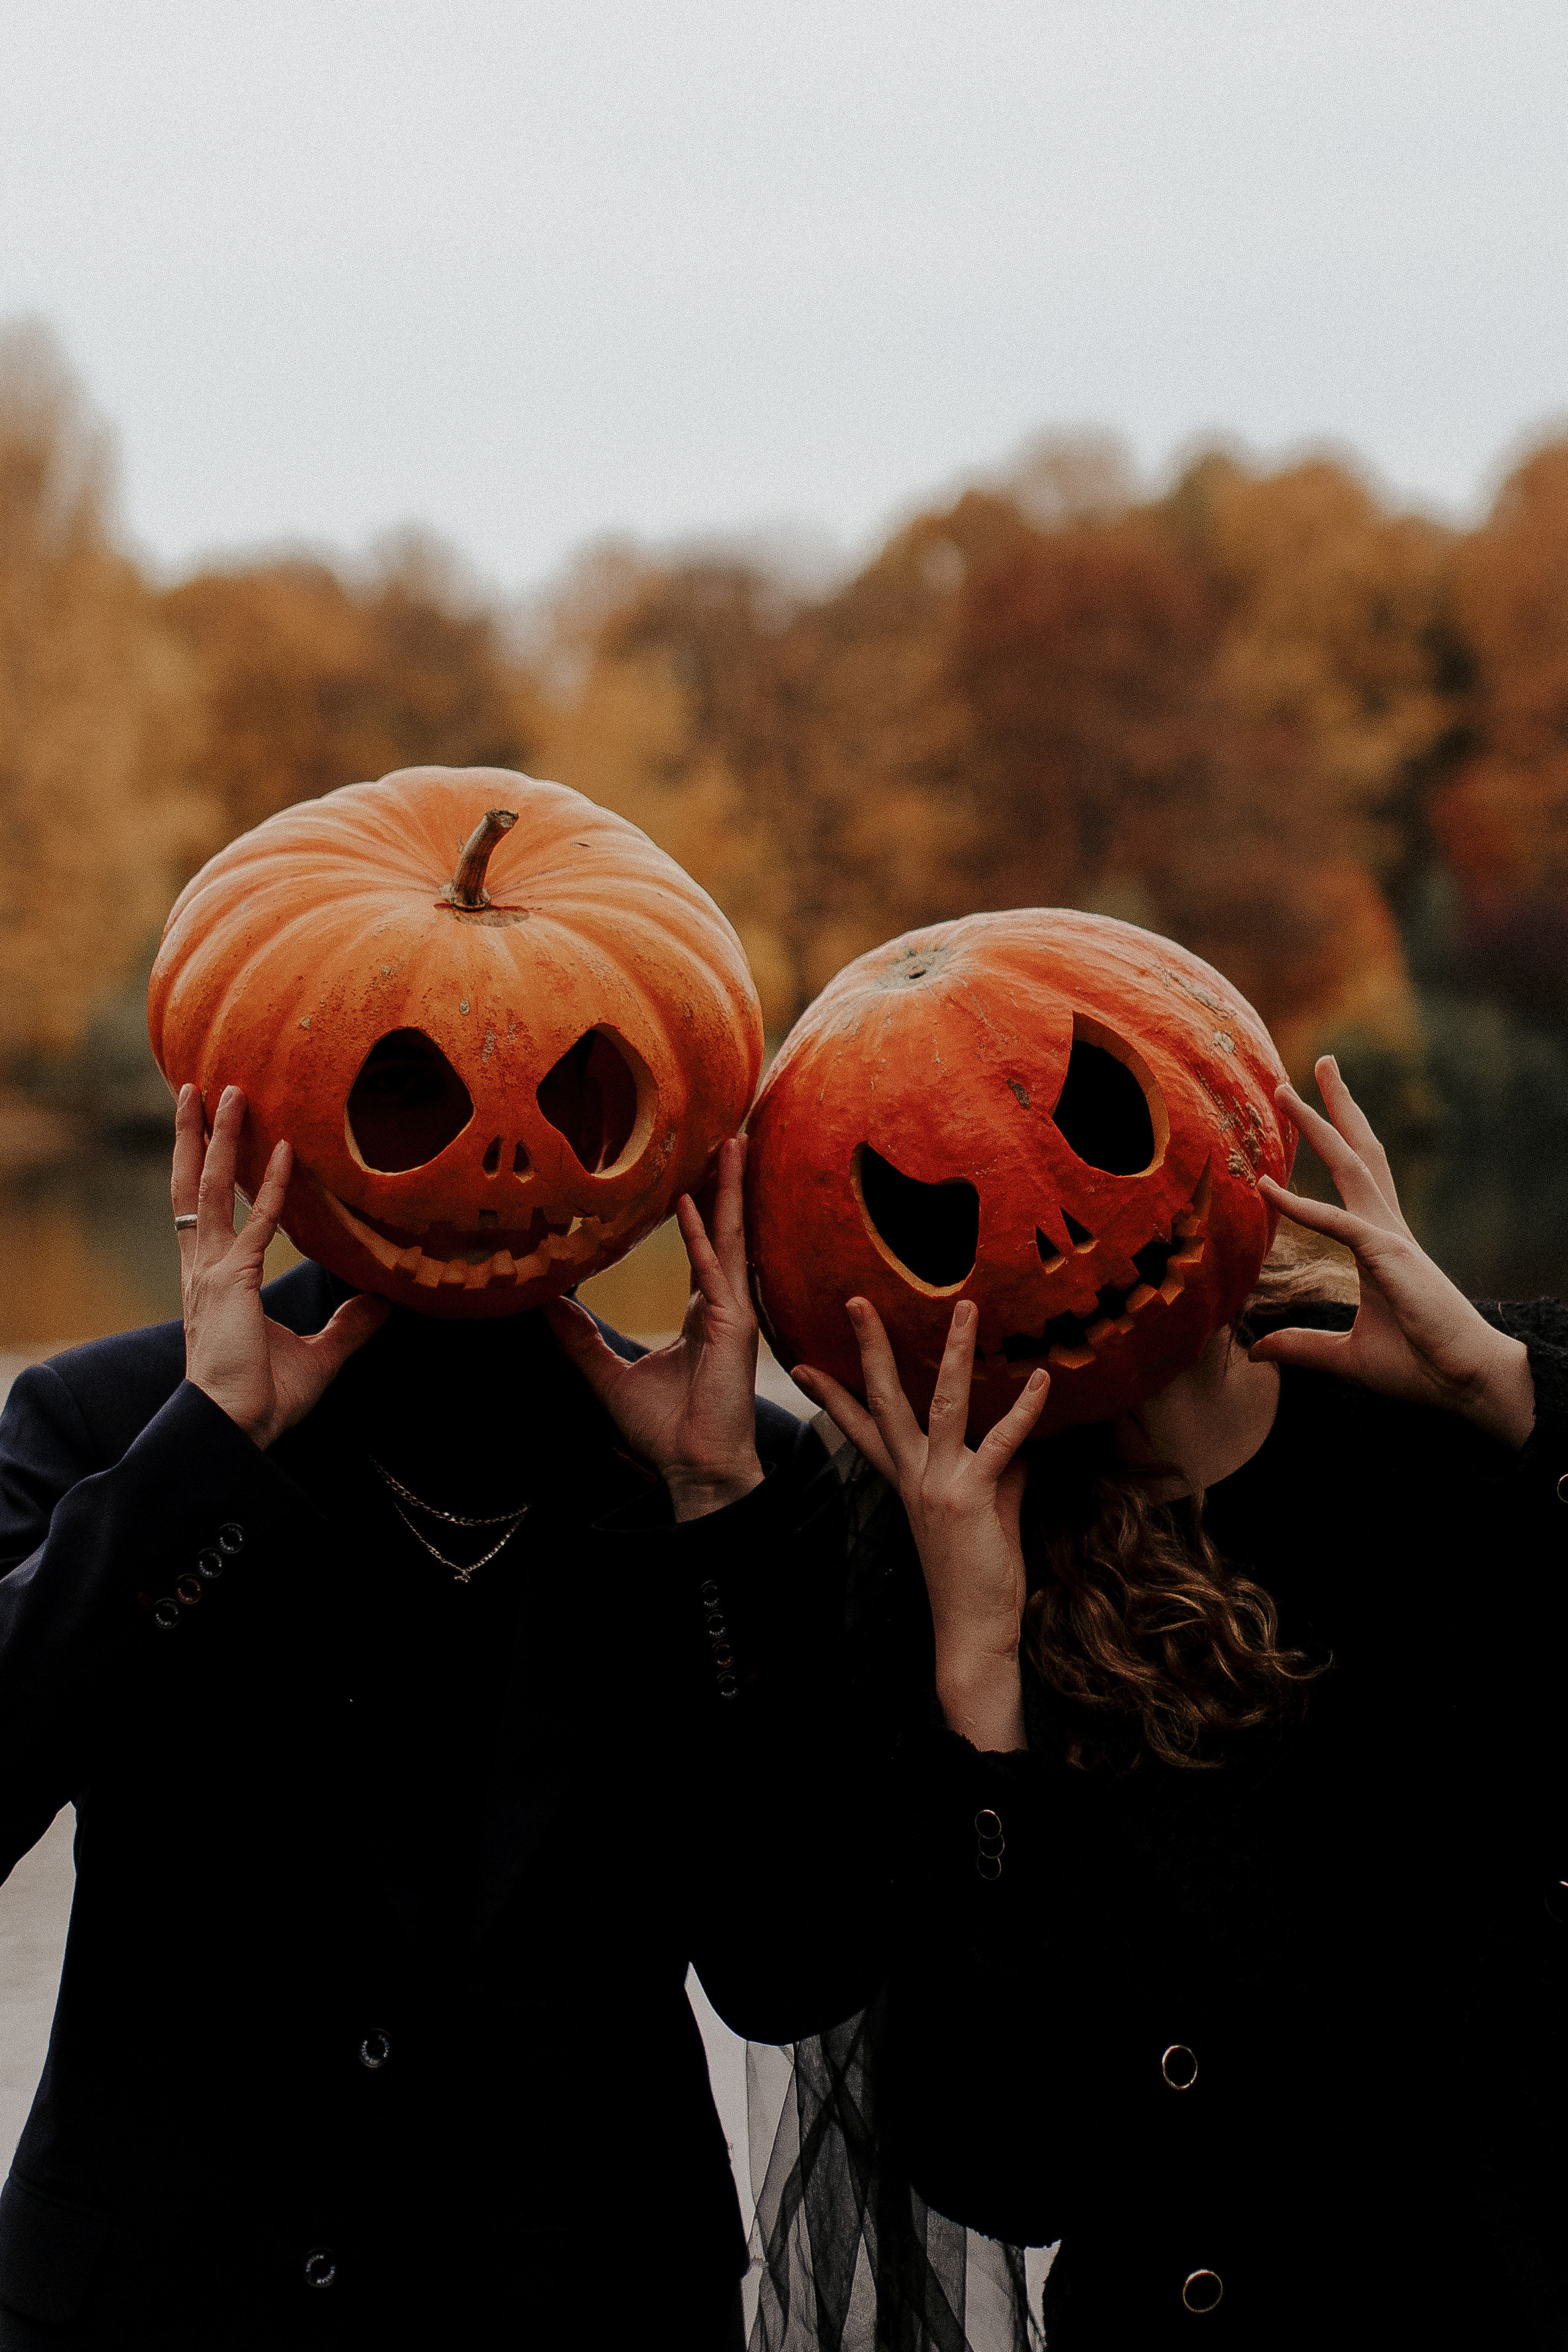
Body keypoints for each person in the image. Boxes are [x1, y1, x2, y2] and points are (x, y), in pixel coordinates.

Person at [0, 1087, 870, 2350]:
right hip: (170, 2304)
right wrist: (203, 1456)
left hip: (580, 2305)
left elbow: (791, 1969)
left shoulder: (733, 1473)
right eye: (418, 1088)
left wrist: (710, 1520)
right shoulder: (113, 1425)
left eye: (564, 1090)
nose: (496, 1150)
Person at [780, 1060, 1568, 2350]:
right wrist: (978, 1678)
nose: (1056, 1230)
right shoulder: (947, 1565)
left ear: (1218, 1136)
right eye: (962, 1209)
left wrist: (1503, 1388)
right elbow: (999, 2165)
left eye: (1097, 1130)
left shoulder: (1451, 1421)